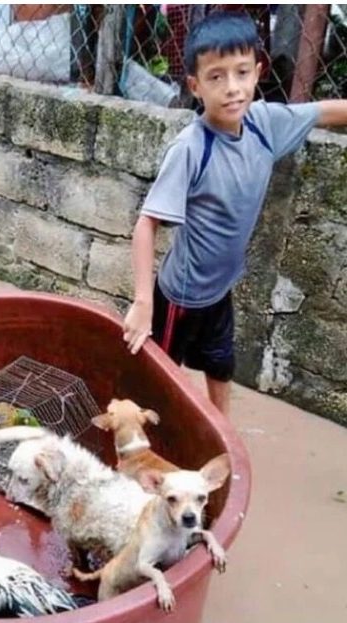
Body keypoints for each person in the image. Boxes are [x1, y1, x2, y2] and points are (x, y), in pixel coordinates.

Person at [122, 11, 347, 418]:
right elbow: (146, 223)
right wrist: (142, 302)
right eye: (216, 77)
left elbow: (324, 112)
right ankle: (146, 435)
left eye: (241, 73)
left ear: (257, 72)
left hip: (220, 290)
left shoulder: (265, 124)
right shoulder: (191, 148)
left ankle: (221, 437)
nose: (232, 88)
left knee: (221, 366)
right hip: (180, 296)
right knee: (158, 378)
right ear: (195, 86)